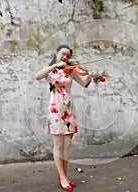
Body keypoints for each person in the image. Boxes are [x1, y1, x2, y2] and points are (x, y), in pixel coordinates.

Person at [35, 44, 93, 191]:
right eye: (63, 54)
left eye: (68, 56)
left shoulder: (70, 71)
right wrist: (56, 65)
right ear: (56, 53)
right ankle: (62, 176)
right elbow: (37, 76)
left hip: (69, 109)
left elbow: (85, 84)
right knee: (58, 145)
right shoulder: (50, 71)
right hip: (55, 108)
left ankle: (64, 176)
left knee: (67, 145)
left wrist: (91, 76)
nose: (66, 57)